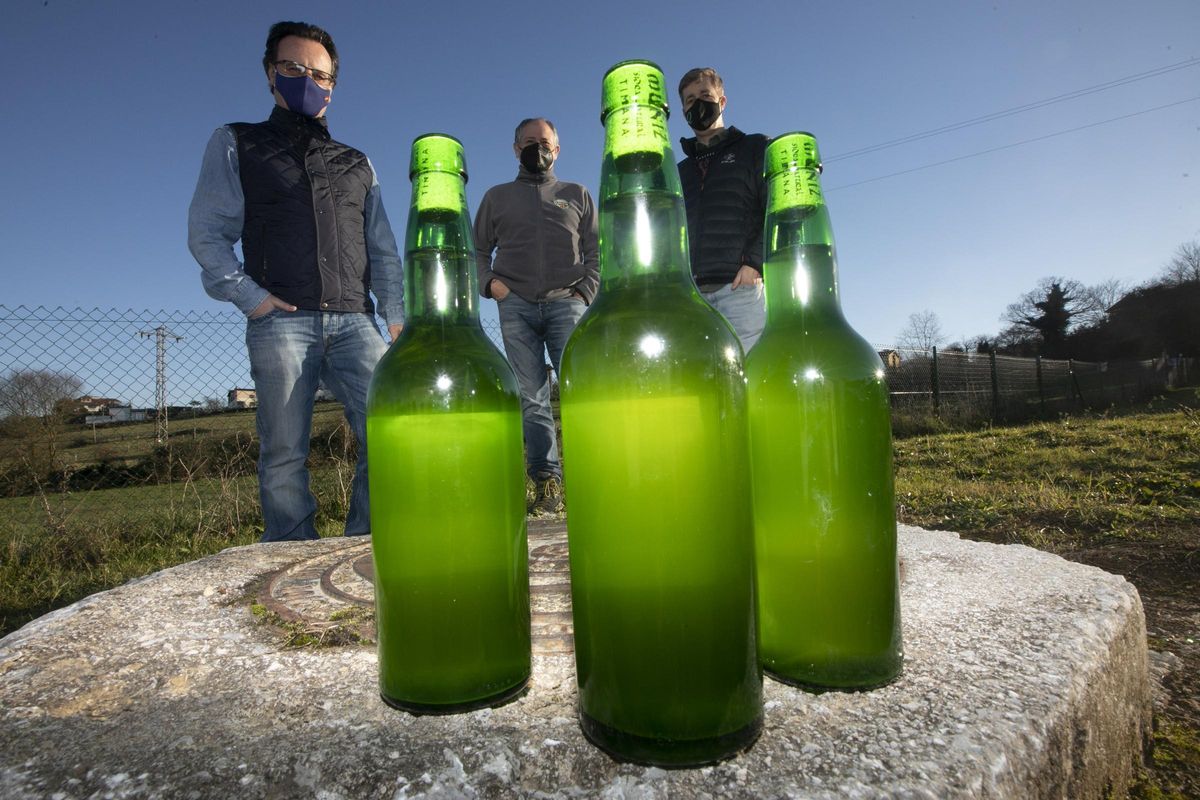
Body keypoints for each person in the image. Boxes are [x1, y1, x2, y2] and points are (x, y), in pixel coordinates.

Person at [187, 21, 404, 542]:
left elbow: (383, 250)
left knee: (393, 435)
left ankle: (366, 548)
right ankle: (288, 553)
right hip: (281, 322)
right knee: (284, 453)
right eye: (293, 69)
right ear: (270, 74)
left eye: (318, 73)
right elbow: (207, 235)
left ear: (332, 85)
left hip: (358, 322)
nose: (306, 79)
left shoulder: (358, 163)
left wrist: (395, 317)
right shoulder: (238, 142)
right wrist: (252, 299)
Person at [474, 118, 599, 515]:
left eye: (544, 142)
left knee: (583, 393)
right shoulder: (496, 197)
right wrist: (492, 285)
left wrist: (584, 292)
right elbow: (476, 251)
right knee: (532, 399)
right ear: (515, 149)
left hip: (569, 304)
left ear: (557, 150)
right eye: (528, 142)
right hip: (516, 306)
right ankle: (548, 486)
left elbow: (598, 251)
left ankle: (593, 478)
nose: (537, 148)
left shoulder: (576, 194)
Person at [676, 67, 769, 352]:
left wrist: (755, 261)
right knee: (702, 384)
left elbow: (778, 208)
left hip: (740, 290)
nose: (697, 103)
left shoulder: (756, 147)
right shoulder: (677, 172)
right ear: (683, 110)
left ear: (722, 101)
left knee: (750, 376)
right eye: (690, 100)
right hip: (691, 299)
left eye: (704, 95)